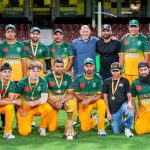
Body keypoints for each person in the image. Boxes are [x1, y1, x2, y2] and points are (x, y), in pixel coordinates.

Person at [0, 24, 26, 129]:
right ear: (5, 34)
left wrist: (24, 76)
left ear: (15, 33)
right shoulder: (2, 46)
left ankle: (18, 122)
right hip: (5, 80)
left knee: (17, 102)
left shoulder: (20, 46)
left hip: (18, 79)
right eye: (8, 32)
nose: (10, 33)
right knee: (4, 101)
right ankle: (4, 123)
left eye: (12, 31)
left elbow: (23, 62)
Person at [15, 62, 52, 136]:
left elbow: (44, 98)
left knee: (48, 108)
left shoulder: (43, 82)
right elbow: (15, 99)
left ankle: (42, 127)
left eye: (38, 71)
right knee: (24, 133)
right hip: (25, 108)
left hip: (37, 106)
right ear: (29, 71)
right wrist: (20, 110)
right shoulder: (22, 83)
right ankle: (23, 122)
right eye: (33, 71)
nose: (36, 73)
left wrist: (35, 102)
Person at [74, 58, 106, 135]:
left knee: (101, 103)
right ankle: (95, 119)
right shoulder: (78, 79)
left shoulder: (98, 79)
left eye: (90, 66)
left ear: (94, 66)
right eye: (87, 66)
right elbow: (77, 95)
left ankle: (101, 128)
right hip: (84, 103)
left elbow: (99, 95)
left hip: (94, 101)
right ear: (84, 67)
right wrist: (86, 100)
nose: (89, 68)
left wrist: (89, 100)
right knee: (84, 129)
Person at [103, 62, 134, 137]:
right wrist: (108, 112)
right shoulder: (107, 81)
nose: (115, 72)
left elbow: (129, 95)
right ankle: (122, 123)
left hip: (123, 105)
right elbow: (105, 97)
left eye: (117, 70)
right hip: (113, 109)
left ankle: (127, 128)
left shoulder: (125, 81)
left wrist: (129, 103)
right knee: (116, 132)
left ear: (120, 71)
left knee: (130, 110)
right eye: (113, 71)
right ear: (111, 71)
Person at [44, 58, 76, 132]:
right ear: (53, 67)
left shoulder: (68, 77)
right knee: (52, 129)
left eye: (61, 66)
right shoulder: (47, 77)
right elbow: (44, 95)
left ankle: (69, 127)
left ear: (63, 66)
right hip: (52, 103)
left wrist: (61, 102)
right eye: (57, 66)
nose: (59, 68)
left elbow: (71, 94)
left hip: (64, 102)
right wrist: (53, 103)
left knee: (73, 103)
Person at [120, 19, 149, 84]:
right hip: (127, 73)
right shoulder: (124, 39)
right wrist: (120, 70)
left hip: (139, 73)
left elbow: (146, 57)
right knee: (128, 93)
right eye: (131, 26)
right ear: (129, 28)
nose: (133, 28)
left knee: (139, 92)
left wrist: (145, 70)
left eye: (135, 26)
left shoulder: (144, 39)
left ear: (138, 27)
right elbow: (121, 57)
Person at [0, 63, 21, 139]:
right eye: (5, 72)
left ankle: (7, 132)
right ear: (0, 73)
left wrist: (6, 100)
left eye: (9, 72)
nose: (7, 74)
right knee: (11, 103)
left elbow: (11, 98)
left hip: (3, 106)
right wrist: (14, 101)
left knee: (9, 107)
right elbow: (12, 100)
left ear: (11, 73)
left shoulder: (12, 84)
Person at [131, 61, 150, 134]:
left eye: (145, 69)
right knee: (139, 130)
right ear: (138, 71)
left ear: (149, 69)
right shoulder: (135, 83)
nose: (143, 72)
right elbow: (132, 99)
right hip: (143, 113)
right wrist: (135, 113)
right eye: (141, 70)